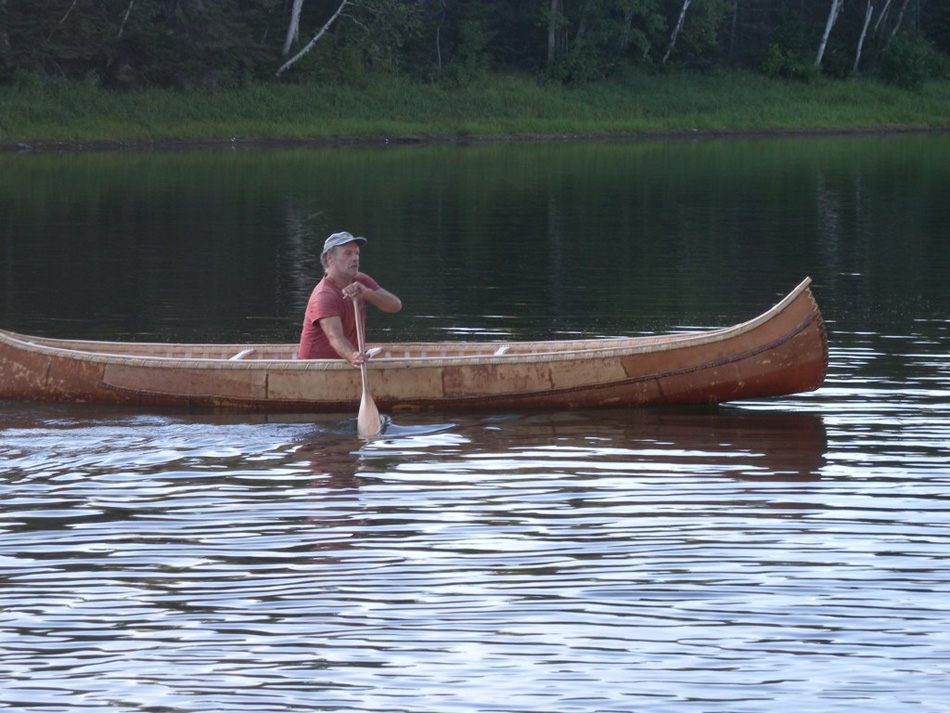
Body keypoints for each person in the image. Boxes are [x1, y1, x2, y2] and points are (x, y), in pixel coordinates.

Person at [298, 231, 402, 365]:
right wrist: (354, 356)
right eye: (348, 253)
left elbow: (395, 306)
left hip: (347, 364)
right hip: (316, 369)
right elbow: (334, 337)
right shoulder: (324, 295)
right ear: (329, 258)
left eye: (356, 253)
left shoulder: (360, 280)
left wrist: (366, 293)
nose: (355, 258)